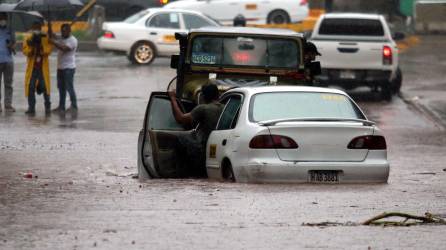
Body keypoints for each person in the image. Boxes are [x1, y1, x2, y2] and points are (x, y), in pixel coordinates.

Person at [168, 83, 223, 177]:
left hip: (204, 150)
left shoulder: (203, 108)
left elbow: (180, 118)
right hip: (221, 149)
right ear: (218, 95)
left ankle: (180, 175)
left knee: (179, 138)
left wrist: (172, 99)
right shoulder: (225, 107)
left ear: (203, 96)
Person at [22, 21, 53, 115]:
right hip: (32, 68)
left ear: (41, 27)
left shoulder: (45, 37)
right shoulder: (28, 38)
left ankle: (47, 107)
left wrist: (40, 46)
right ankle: (31, 107)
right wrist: (32, 47)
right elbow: (25, 51)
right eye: (35, 27)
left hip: (42, 68)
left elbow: (48, 51)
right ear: (32, 27)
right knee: (30, 87)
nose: (37, 29)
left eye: (38, 27)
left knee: (45, 87)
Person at [50, 23, 78, 114]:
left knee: (69, 87)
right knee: (61, 88)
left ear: (69, 31)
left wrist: (53, 42)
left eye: (65, 31)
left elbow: (64, 48)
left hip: (69, 68)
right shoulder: (61, 37)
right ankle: (61, 106)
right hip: (60, 67)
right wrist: (50, 29)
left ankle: (74, 106)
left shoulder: (73, 40)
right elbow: (52, 35)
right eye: (62, 31)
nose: (63, 33)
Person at [0, 12, 15, 113]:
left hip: (8, 60)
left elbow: (14, 46)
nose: (2, 20)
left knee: (8, 84)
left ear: (7, 19)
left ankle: (8, 105)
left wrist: (12, 46)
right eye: (1, 18)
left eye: (4, 18)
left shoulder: (11, 30)